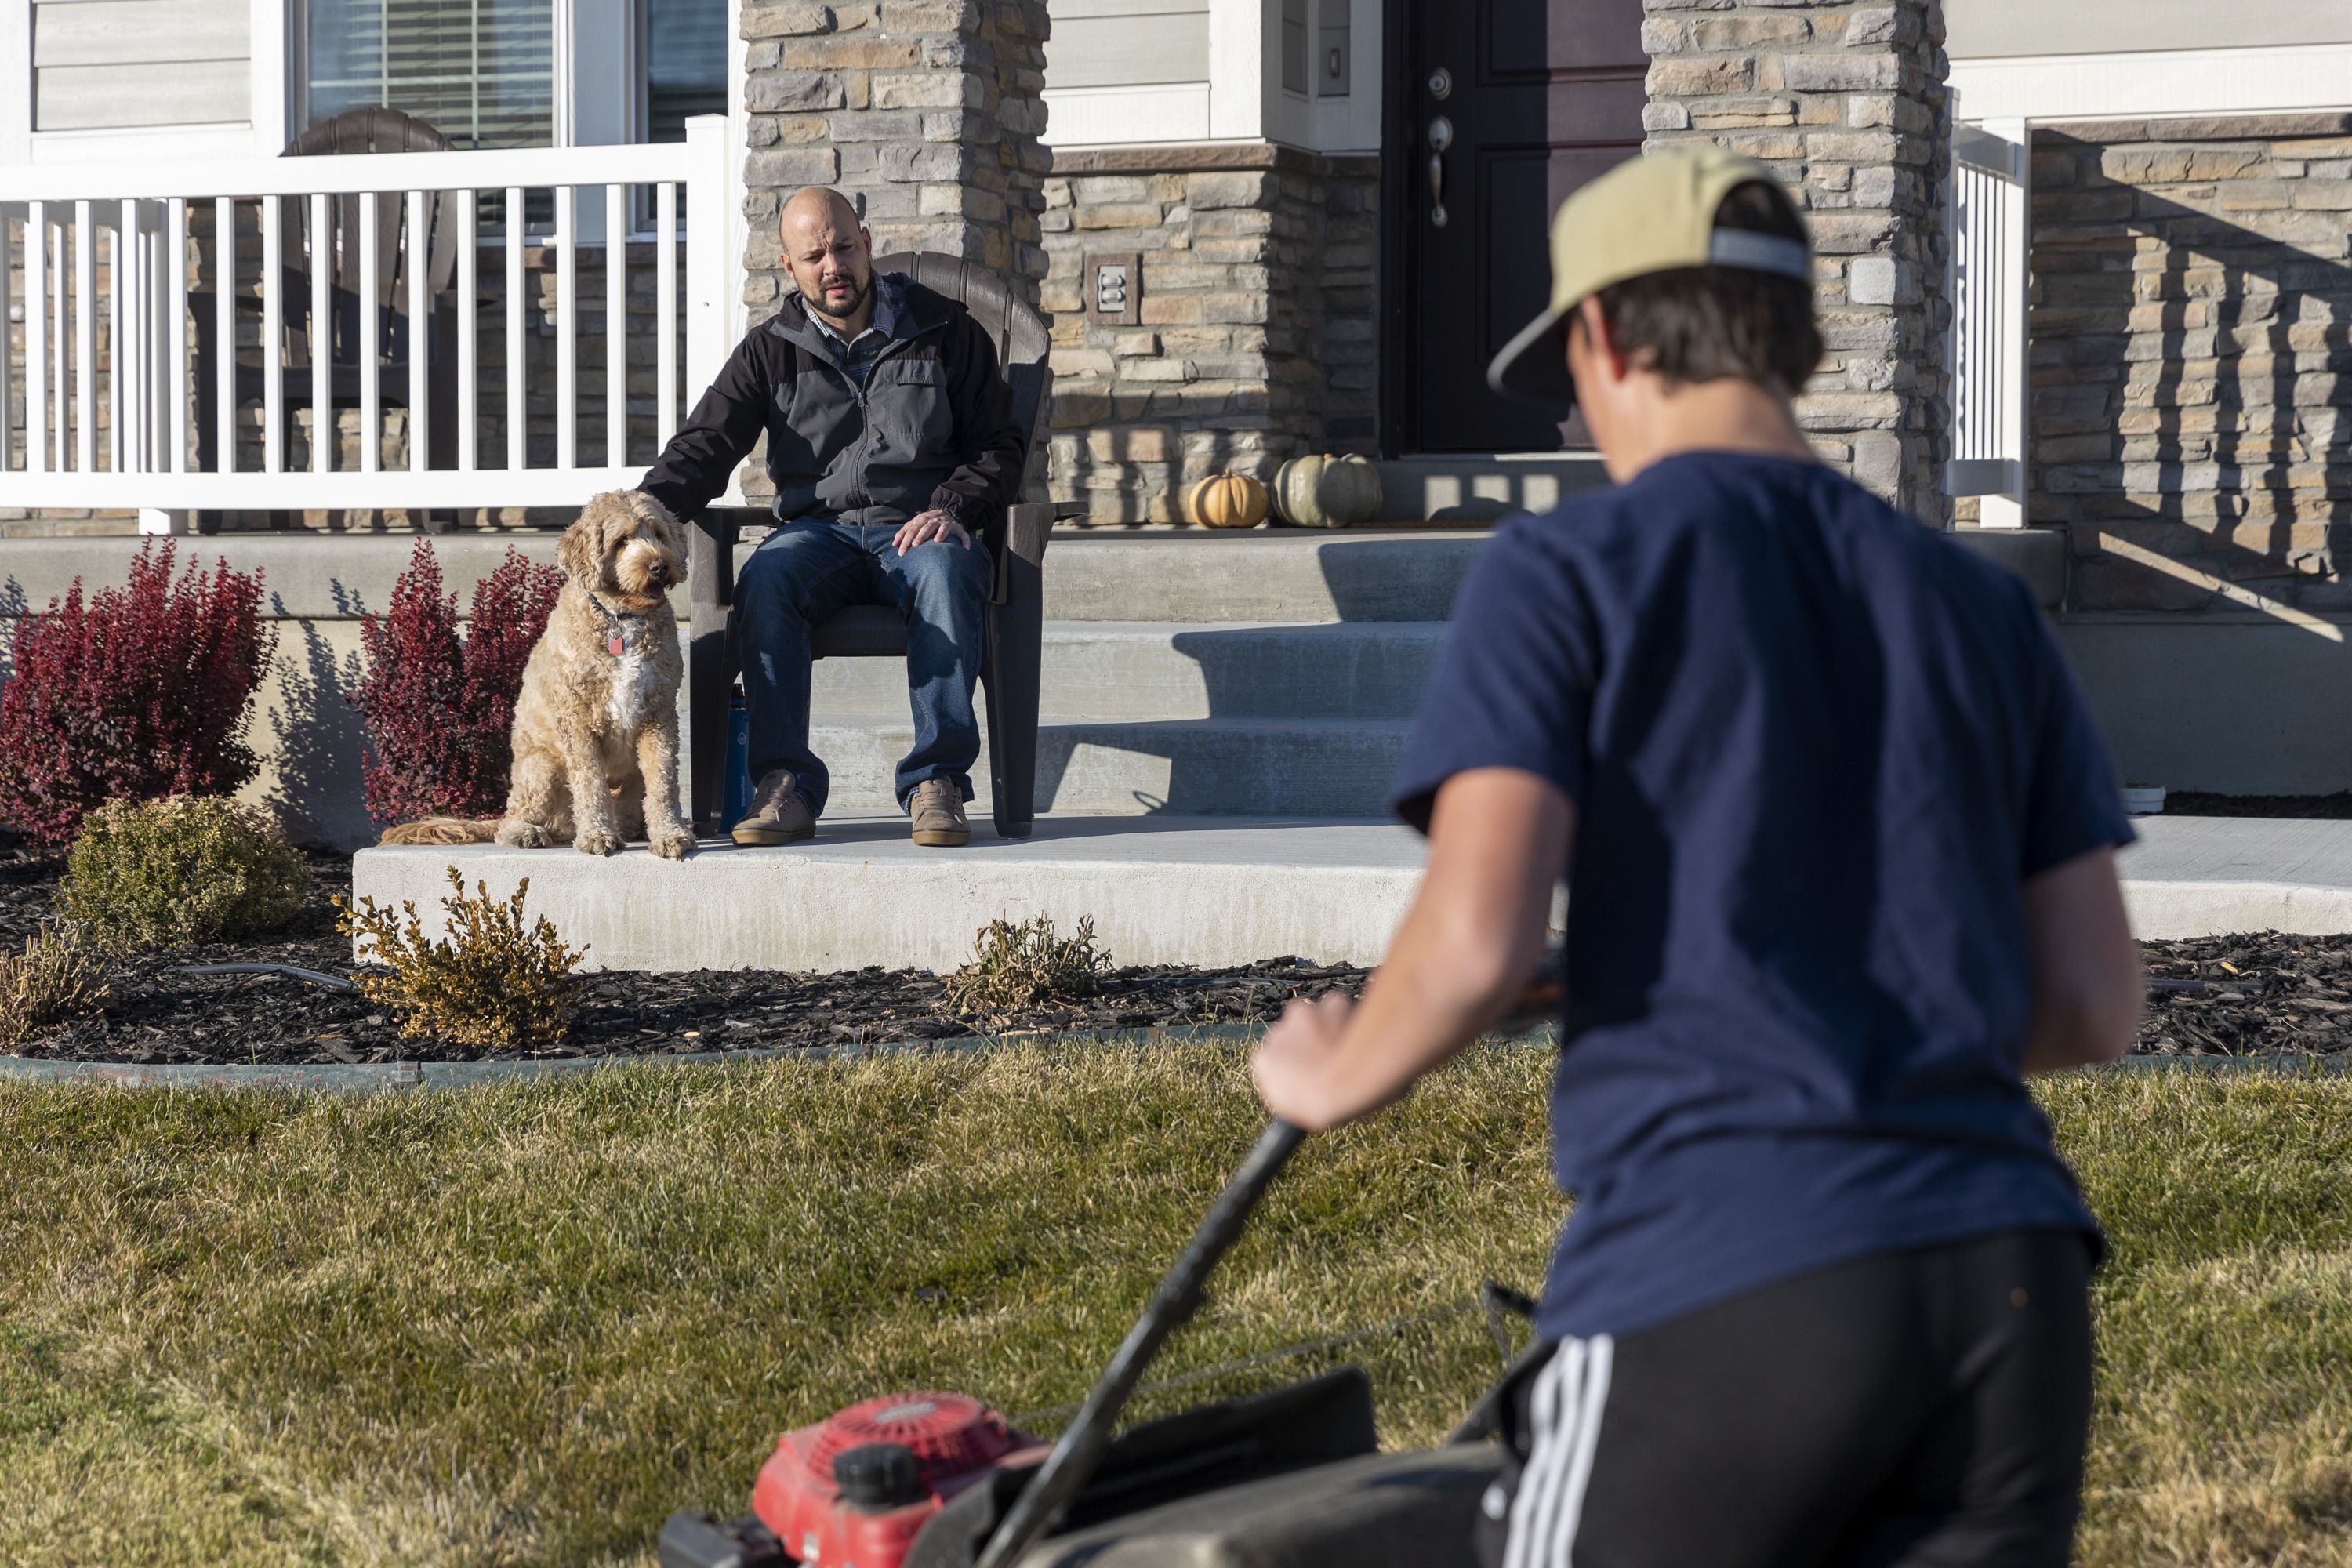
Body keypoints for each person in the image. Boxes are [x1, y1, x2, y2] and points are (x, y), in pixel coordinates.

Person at [1248, 146, 2145, 1568]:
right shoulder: (1979, 606)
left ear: (1603, 334)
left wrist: (1332, 1069)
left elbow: (1474, 939)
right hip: (2011, 1289)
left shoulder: (1567, 573)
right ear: (1787, 338)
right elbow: (2095, 1002)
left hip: (1729, 1275)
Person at [639, 187, 1027, 848]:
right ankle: (784, 784)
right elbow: (704, 448)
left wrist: (954, 508)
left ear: (868, 243)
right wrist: (638, 515)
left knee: (944, 570)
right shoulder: (770, 351)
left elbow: (999, 445)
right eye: (813, 255)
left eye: (844, 247)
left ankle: (936, 782)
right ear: (789, 268)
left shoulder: (944, 329)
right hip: (818, 536)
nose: (833, 266)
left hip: (922, 528)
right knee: (767, 577)